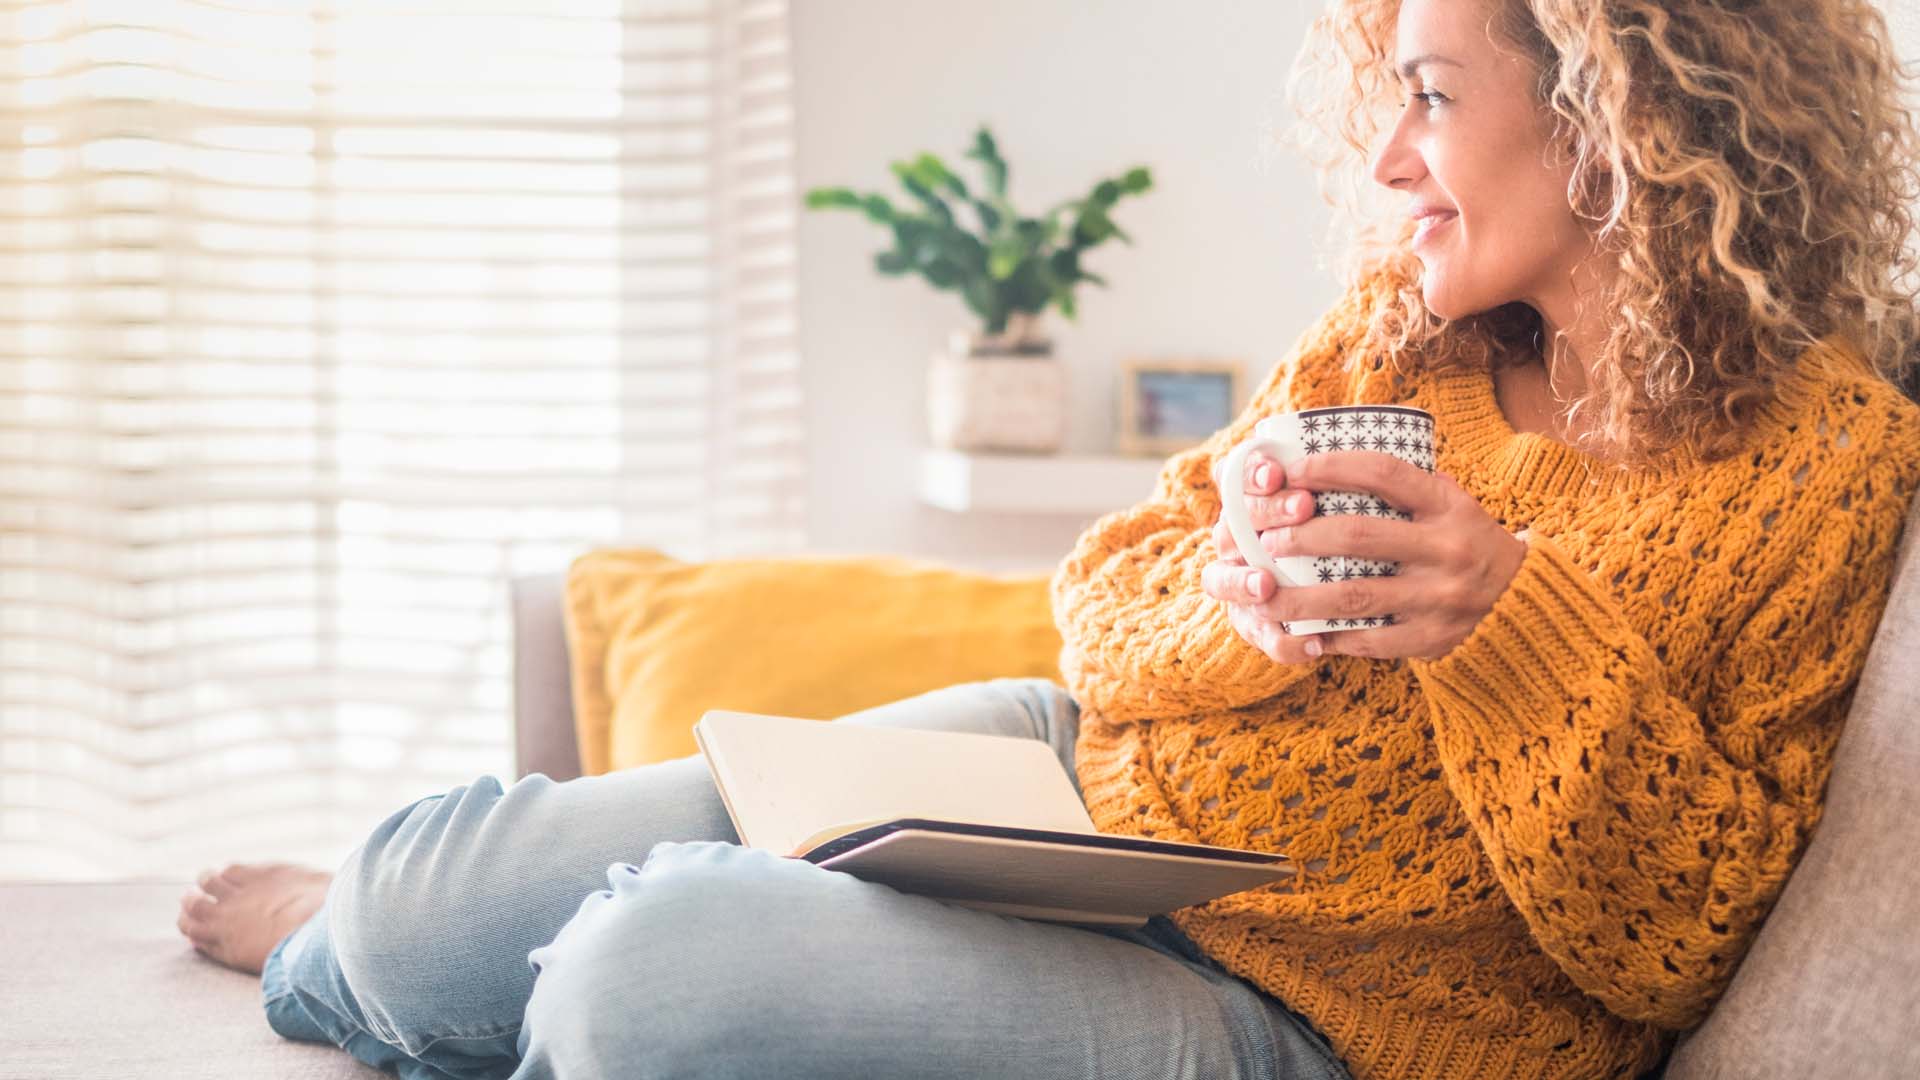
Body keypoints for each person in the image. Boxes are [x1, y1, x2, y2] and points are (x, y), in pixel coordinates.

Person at [177, 0, 1920, 1077]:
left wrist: (1505, 628)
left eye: (1437, 94)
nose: (1389, 155)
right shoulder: (1404, 337)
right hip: (1069, 789)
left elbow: (1685, 942)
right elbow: (1102, 610)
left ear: (1624, 114)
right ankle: (372, 950)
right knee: (422, 902)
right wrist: (1245, 603)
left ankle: (512, 980)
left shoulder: (1828, 465)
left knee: (649, 977)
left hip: (1319, 1020)